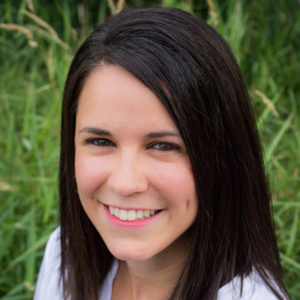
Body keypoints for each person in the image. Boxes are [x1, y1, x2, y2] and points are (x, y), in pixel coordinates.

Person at [34, 7, 289, 300]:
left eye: (164, 146)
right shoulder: (62, 256)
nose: (124, 184)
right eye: (101, 141)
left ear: (222, 157)